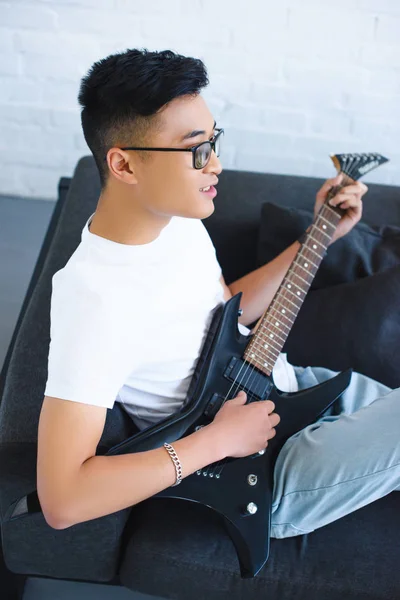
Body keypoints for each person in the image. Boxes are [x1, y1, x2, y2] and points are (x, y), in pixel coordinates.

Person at [37, 48, 400, 540]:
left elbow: (220, 312)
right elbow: (63, 499)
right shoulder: (95, 300)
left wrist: (319, 234)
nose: (217, 166)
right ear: (124, 164)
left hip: (295, 387)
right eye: (197, 150)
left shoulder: (178, 219)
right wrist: (214, 442)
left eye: (215, 141)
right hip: (267, 469)